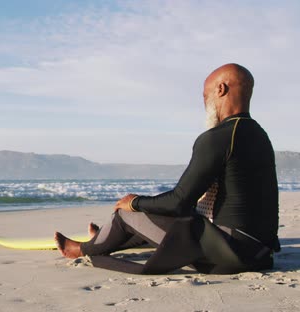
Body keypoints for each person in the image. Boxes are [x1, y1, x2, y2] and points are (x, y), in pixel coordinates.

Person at [55, 63, 280, 274]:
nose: (204, 103)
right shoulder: (258, 134)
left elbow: (179, 202)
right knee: (161, 213)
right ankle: (107, 238)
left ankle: (84, 249)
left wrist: (134, 202)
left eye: (205, 95)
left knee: (126, 214)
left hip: (228, 254)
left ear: (220, 89)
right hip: (259, 252)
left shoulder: (217, 137)